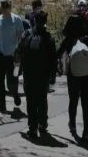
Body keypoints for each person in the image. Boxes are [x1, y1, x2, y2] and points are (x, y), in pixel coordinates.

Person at [19, 10, 57, 140]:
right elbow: (53, 58)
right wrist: (53, 76)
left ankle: (32, 128)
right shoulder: (49, 38)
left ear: (34, 20)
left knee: (31, 101)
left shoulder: (27, 34)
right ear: (45, 22)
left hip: (29, 73)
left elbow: (19, 52)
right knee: (42, 99)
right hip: (43, 75)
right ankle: (43, 124)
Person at [58, 14, 88, 144]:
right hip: (86, 75)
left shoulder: (67, 41)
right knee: (86, 104)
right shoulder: (87, 40)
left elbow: (57, 54)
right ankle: (86, 134)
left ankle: (72, 125)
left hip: (73, 75)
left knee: (73, 101)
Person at [0, 0, 24, 114]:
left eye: (7, 7)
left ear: (10, 7)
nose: (5, 9)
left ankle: (15, 95)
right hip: (0, 54)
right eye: (4, 7)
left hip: (13, 55)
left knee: (12, 80)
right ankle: (2, 104)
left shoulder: (17, 19)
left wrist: (20, 53)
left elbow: (20, 36)